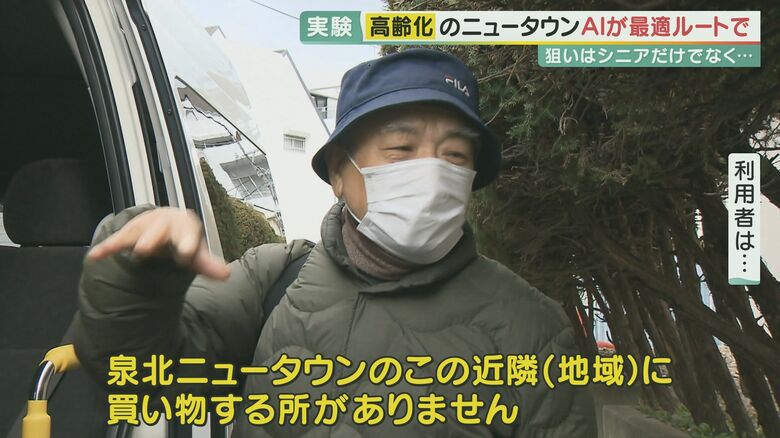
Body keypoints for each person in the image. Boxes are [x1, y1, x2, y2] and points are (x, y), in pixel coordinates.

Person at [74, 48, 596, 437]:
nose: (432, 172)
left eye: (455, 156)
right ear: (339, 175)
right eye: (401, 148)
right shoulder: (272, 277)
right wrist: (137, 277)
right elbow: (138, 376)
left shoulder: (534, 328)